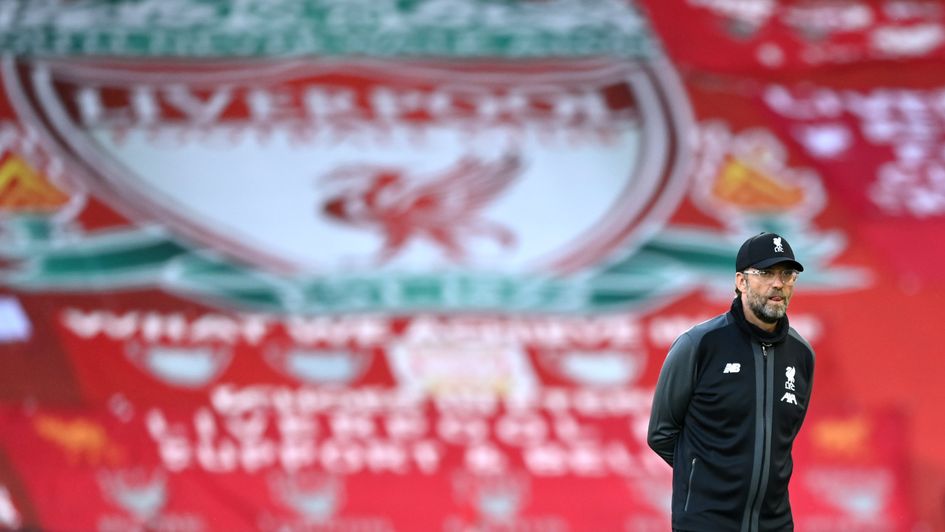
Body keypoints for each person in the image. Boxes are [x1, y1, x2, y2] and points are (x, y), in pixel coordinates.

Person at [647, 232, 815, 532]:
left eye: (787, 274)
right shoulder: (699, 344)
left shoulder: (801, 355)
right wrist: (707, 478)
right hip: (706, 523)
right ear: (741, 282)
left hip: (774, 524)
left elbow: (781, 440)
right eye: (765, 273)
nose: (778, 283)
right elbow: (661, 433)